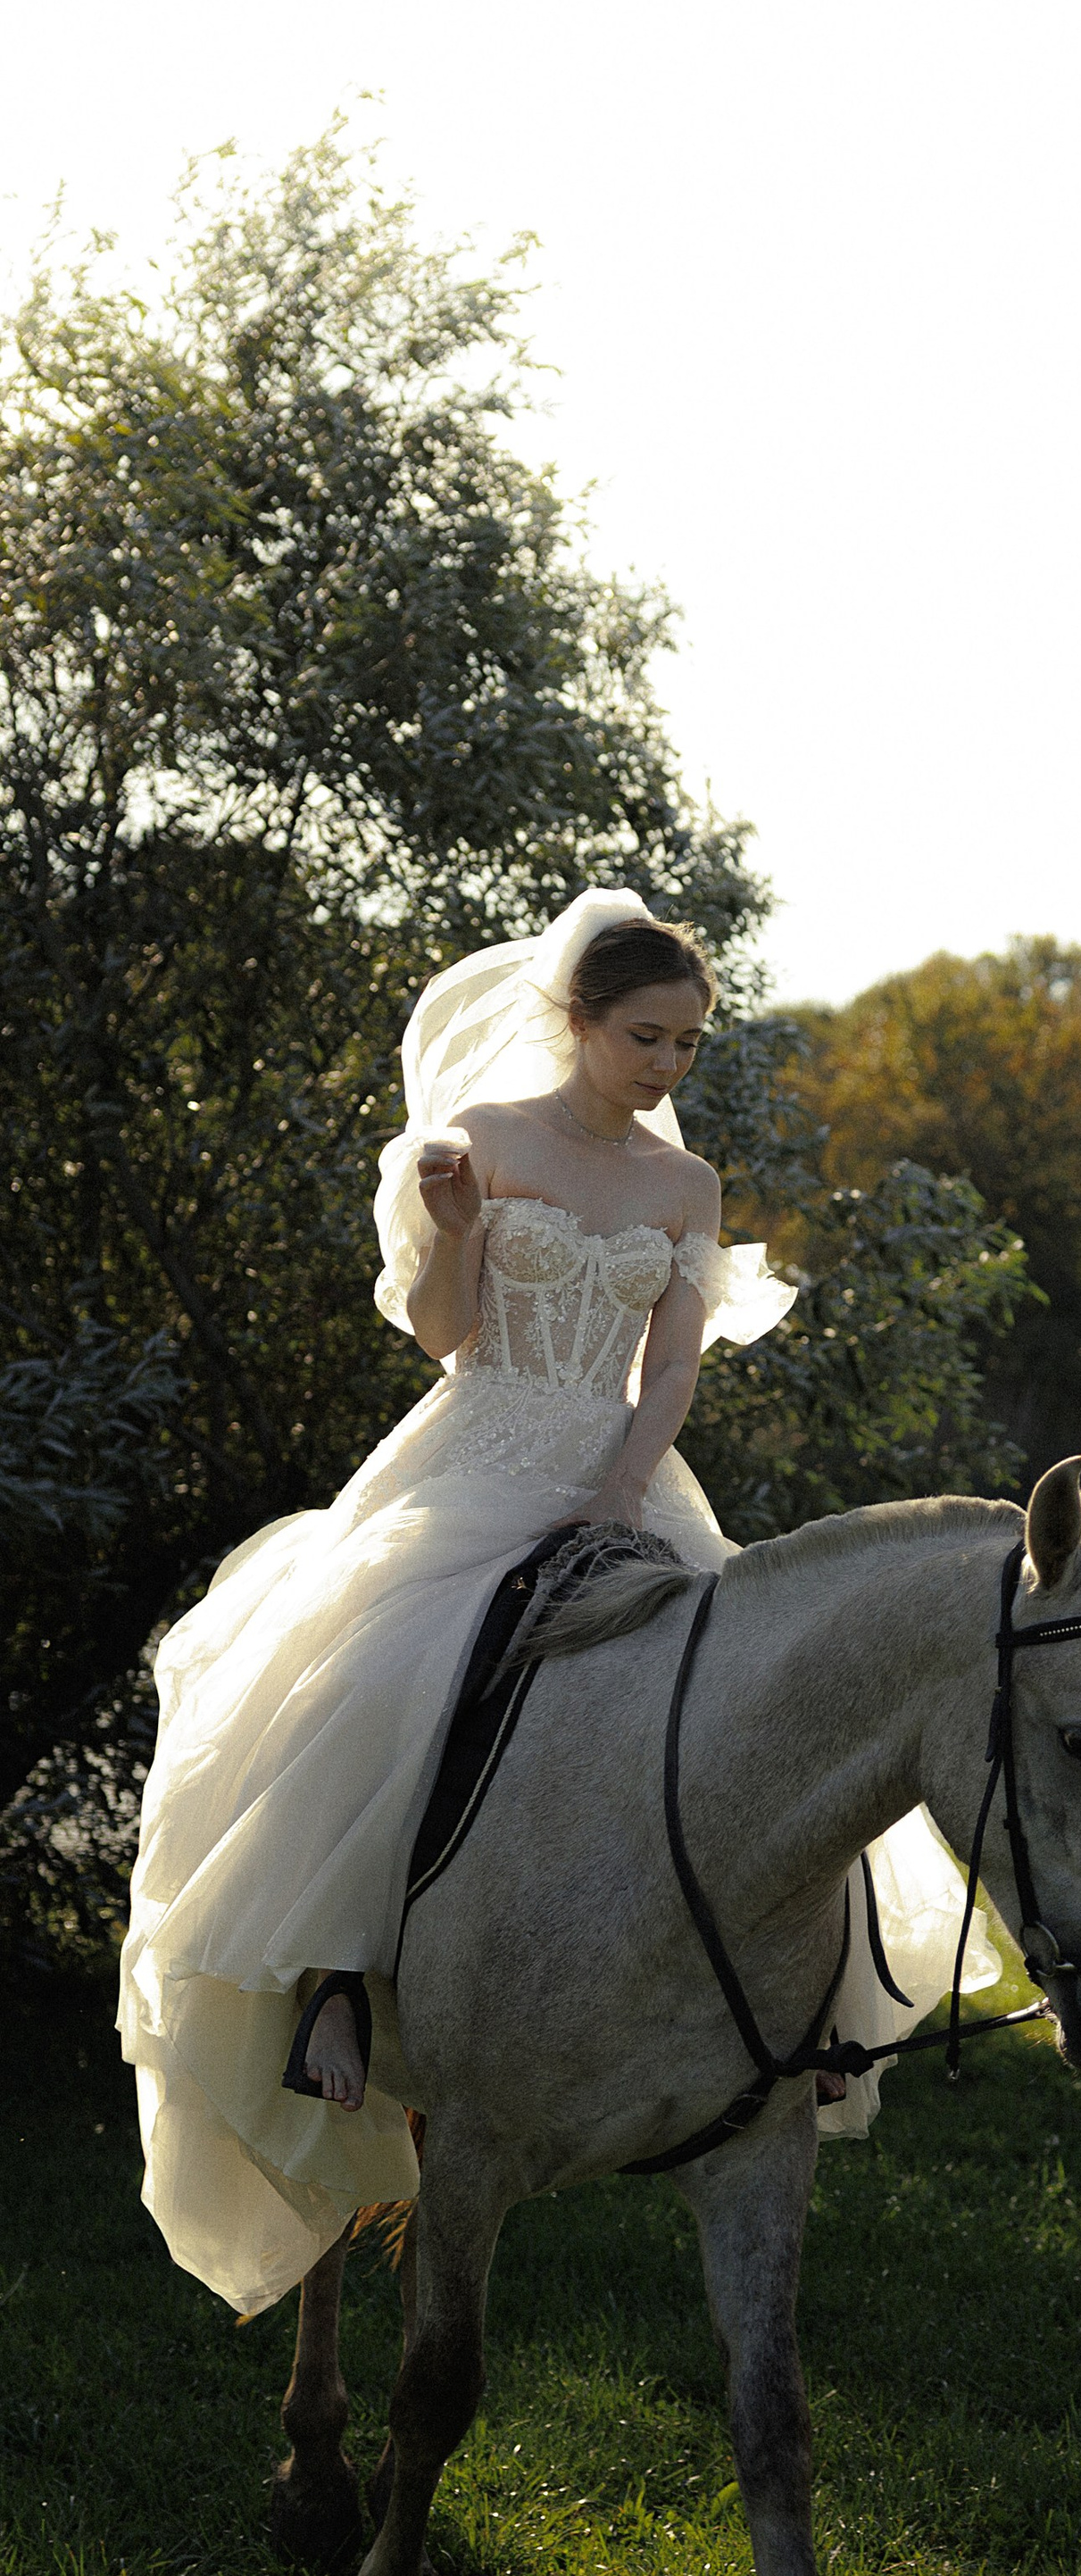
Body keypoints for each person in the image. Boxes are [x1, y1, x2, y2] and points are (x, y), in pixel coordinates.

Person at [120, 887, 986, 2323]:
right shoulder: (486, 1143)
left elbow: (672, 1372)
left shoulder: (685, 1188)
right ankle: (335, 1974)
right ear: (577, 1017)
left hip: (623, 1469)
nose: (667, 1066)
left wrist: (620, 1488)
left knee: (772, 1693)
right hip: (475, 1451)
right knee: (379, 1670)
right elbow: (447, 1335)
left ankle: (817, 2004)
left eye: (691, 1045)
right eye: (647, 1035)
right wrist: (456, 1226)